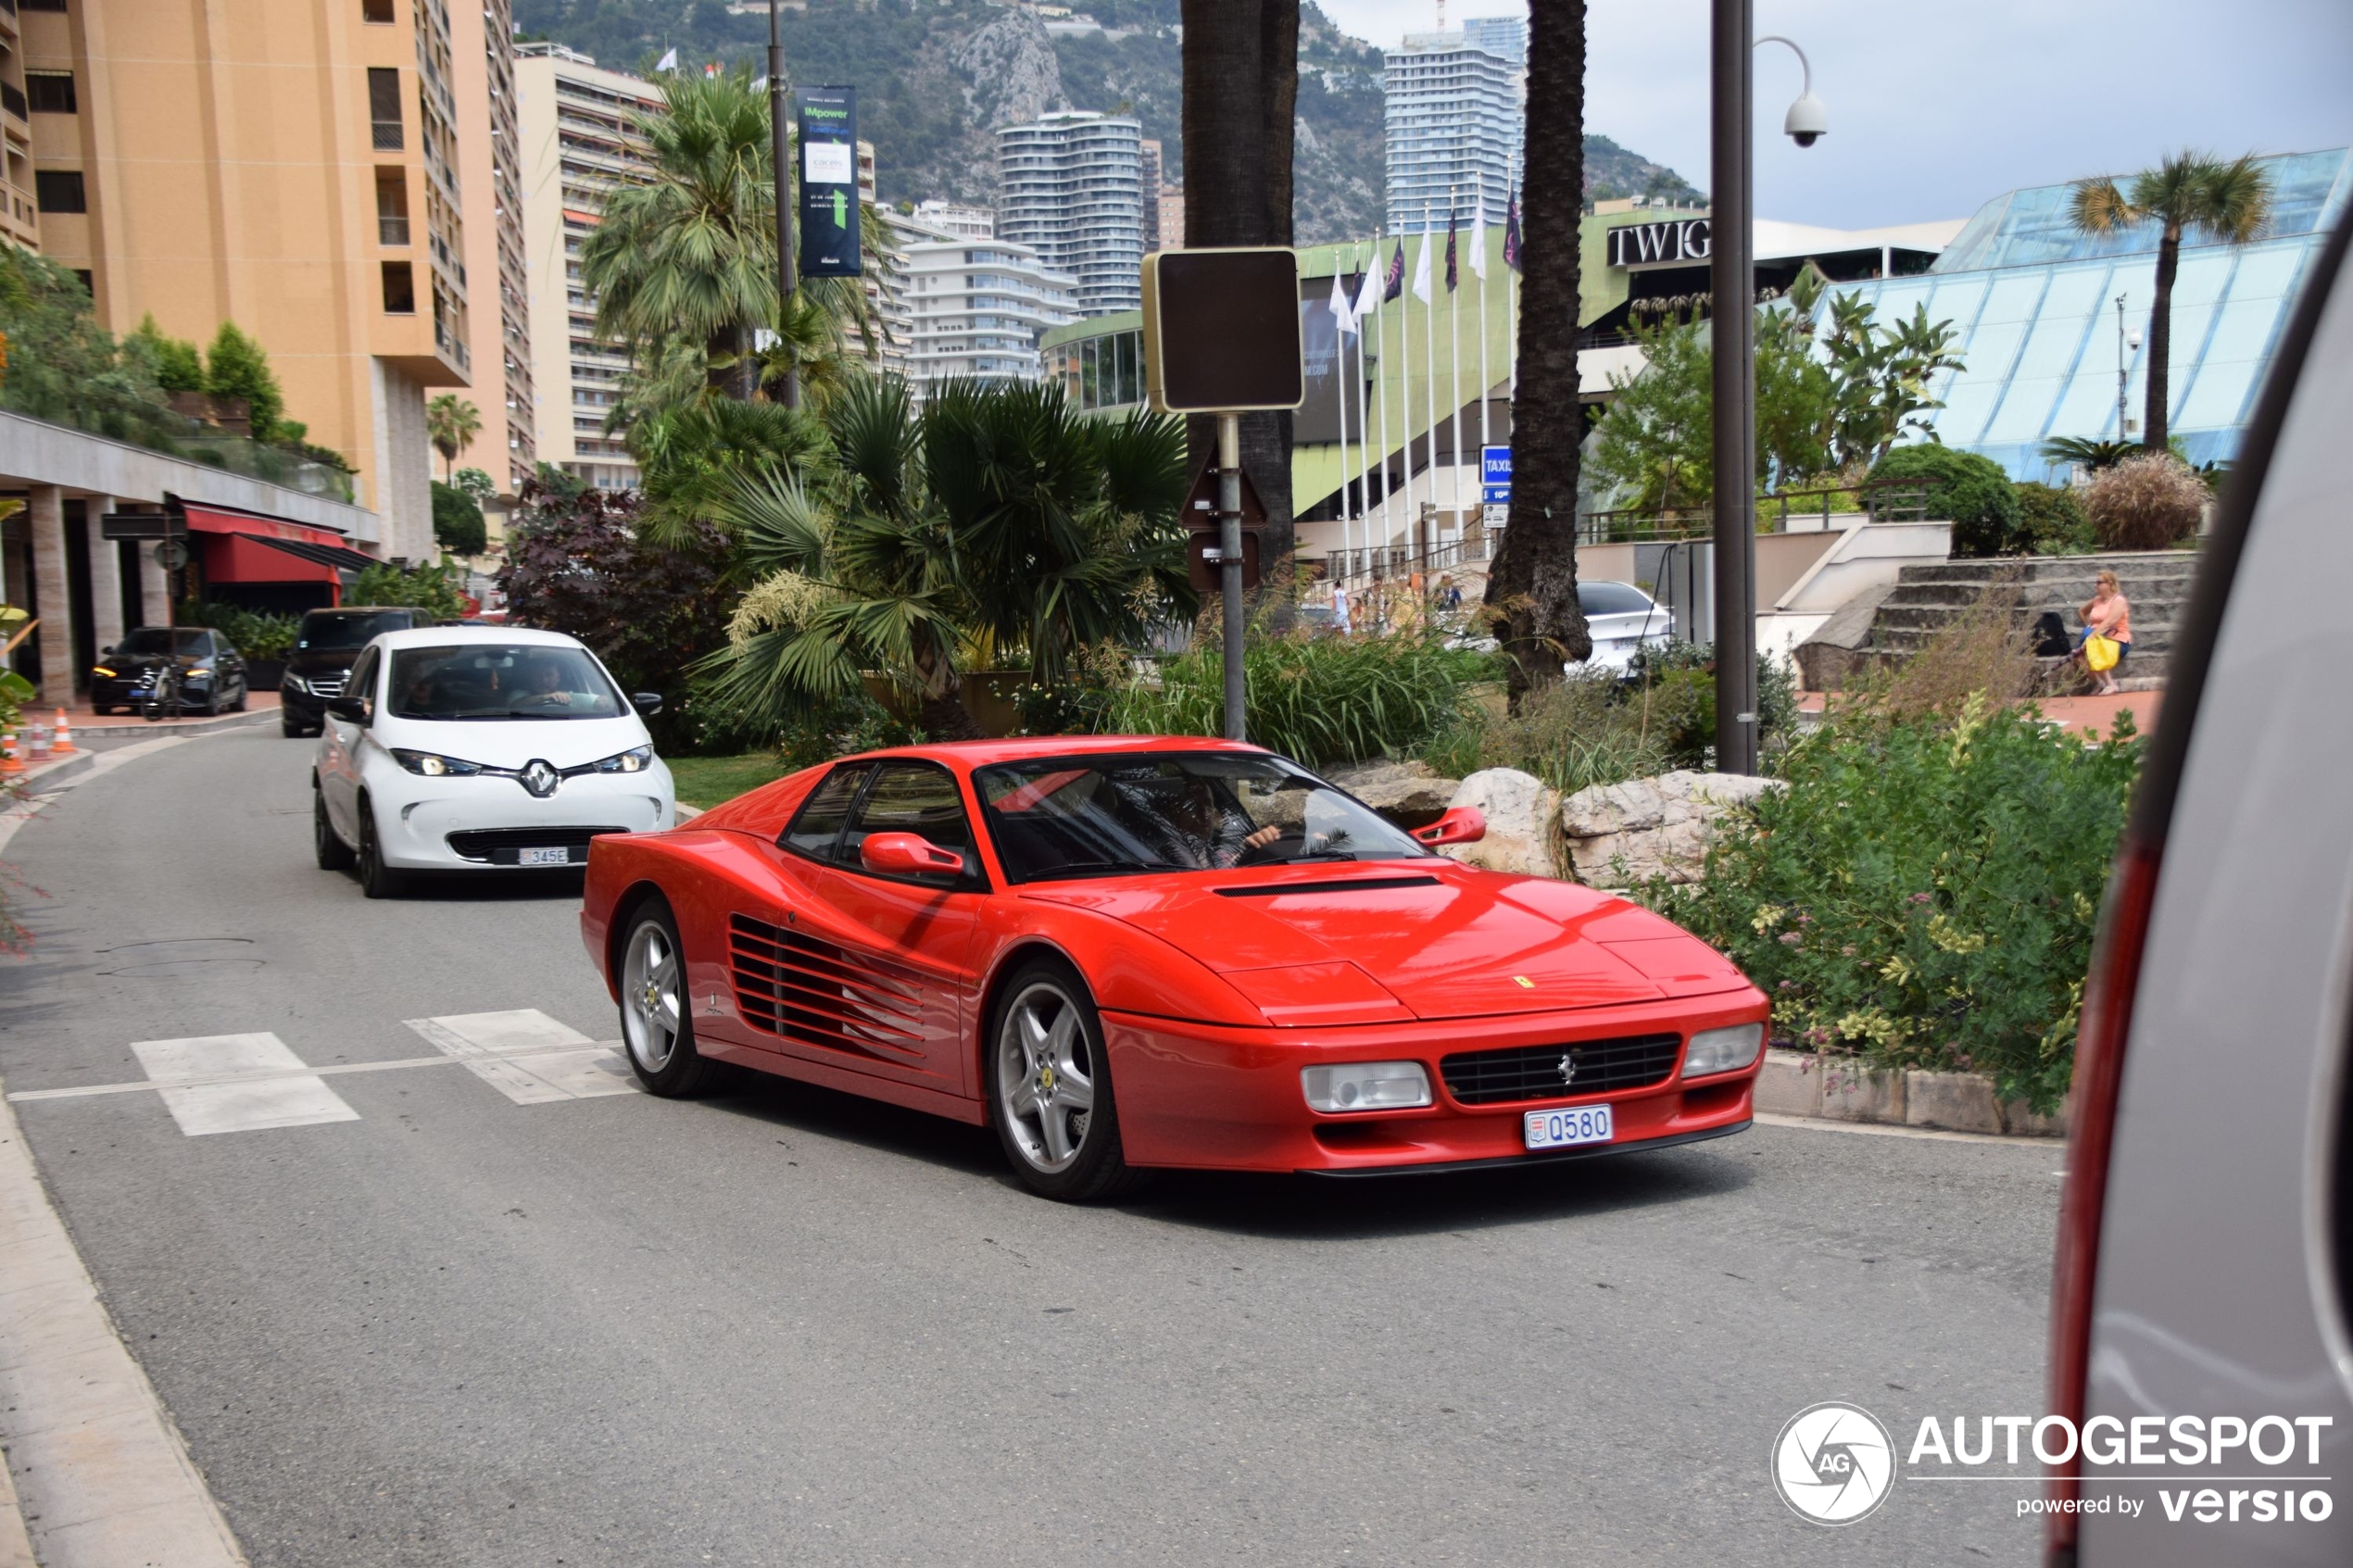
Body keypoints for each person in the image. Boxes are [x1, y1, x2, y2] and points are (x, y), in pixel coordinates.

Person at [2075, 570, 2133, 696]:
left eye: (2099, 582)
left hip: (2116, 640)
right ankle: (2099, 682)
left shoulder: (2119, 601)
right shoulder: (2097, 600)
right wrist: (2088, 627)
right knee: (2076, 656)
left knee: (2094, 647)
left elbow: (2108, 622)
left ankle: (2111, 684)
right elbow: (2081, 611)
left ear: (2110, 584)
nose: (2095, 585)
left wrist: (2090, 636)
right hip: (2095, 636)